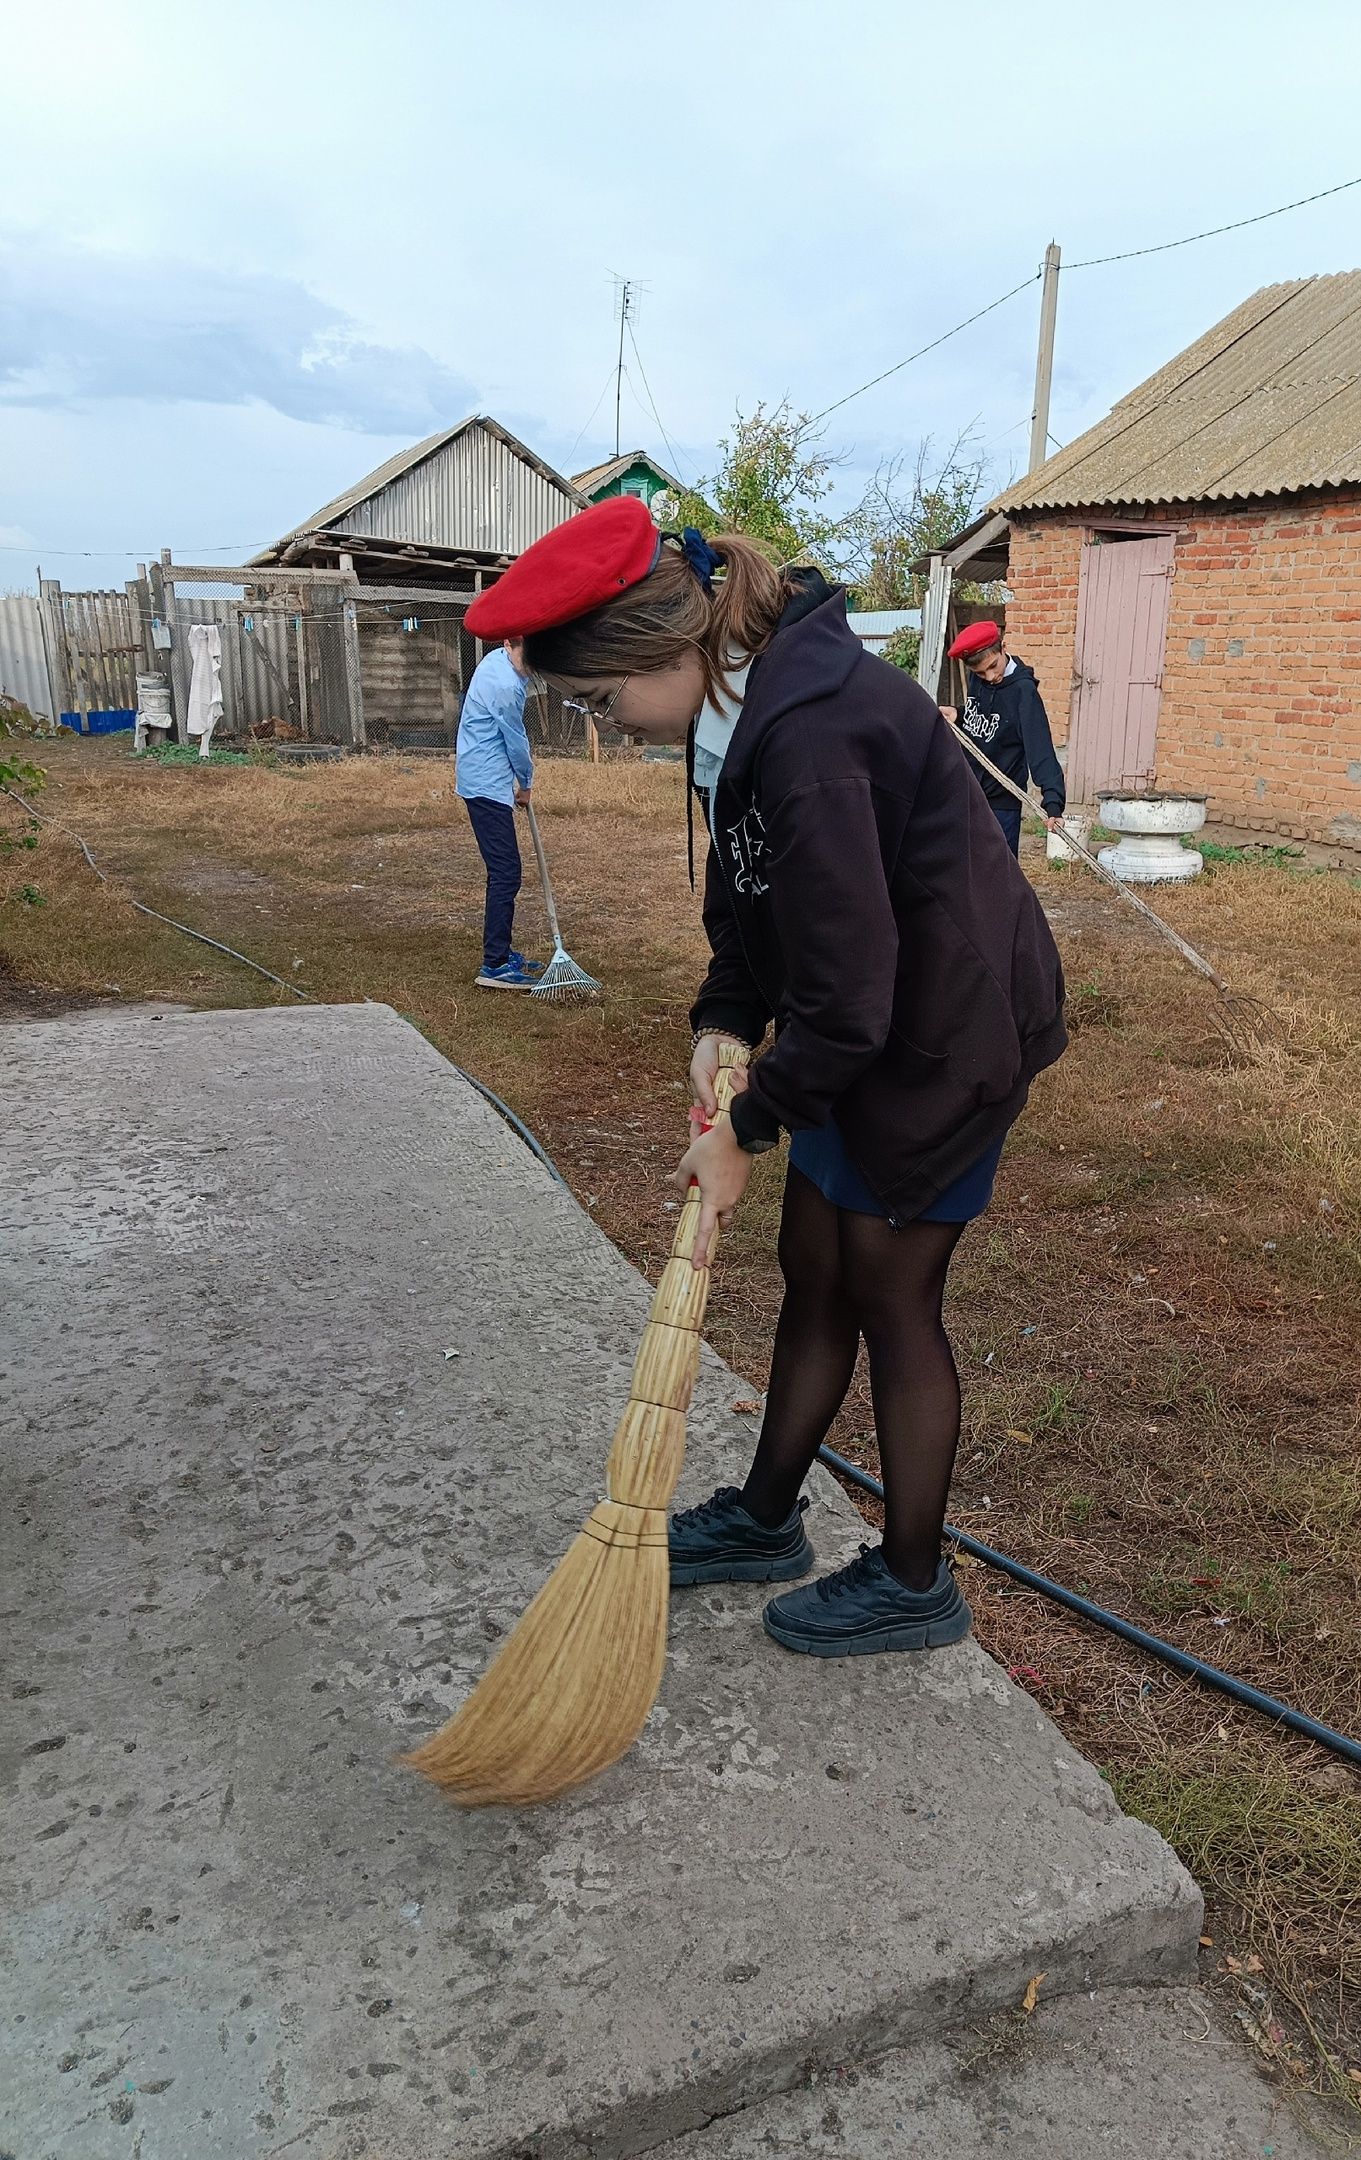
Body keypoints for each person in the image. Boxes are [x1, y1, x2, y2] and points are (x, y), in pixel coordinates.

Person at [464, 498, 1067, 1658]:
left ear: (664, 650)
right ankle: (764, 1517)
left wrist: (747, 1124)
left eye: (603, 700)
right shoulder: (741, 707)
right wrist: (726, 1012)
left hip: (944, 1041)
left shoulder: (810, 734)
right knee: (815, 1269)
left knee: (891, 1294)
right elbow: (746, 896)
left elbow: (852, 1000)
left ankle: (910, 1580)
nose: (612, 726)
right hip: (868, 1033)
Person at [455, 635, 540, 989]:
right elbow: (515, 739)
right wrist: (526, 782)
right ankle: (495, 964)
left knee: (501, 871)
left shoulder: (498, 661)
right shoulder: (506, 684)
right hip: (485, 784)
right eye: (531, 658)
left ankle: (501, 950)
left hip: (481, 775)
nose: (533, 668)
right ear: (513, 646)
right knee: (507, 872)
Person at [938, 620, 1066, 853]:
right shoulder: (980, 678)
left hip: (1001, 803)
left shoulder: (1023, 693)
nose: (989, 676)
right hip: (970, 791)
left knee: (999, 873)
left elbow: (1040, 750)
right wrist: (959, 714)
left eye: (993, 666)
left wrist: (1053, 802)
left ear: (1003, 648)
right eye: (979, 673)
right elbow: (984, 720)